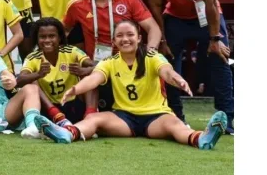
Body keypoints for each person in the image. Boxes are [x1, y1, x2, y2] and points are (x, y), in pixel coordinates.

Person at [35, 21, 228, 150]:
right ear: (114, 41)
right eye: (120, 36)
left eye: (130, 35)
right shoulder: (109, 62)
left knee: (175, 124)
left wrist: (177, 79)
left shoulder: (152, 56)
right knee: (94, 119)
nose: (125, 39)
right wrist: (75, 89)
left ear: (139, 38)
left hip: (156, 117)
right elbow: (94, 78)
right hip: (124, 119)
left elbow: (166, 71)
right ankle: (66, 134)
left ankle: (203, 138)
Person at [142, 0, 234, 133]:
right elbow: (155, 6)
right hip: (175, 18)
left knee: (220, 63)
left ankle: (226, 120)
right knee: (169, 66)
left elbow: (211, 3)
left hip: (208, 18)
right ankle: (176, 117)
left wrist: (215, 39)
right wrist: (163, 40)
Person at [18, 18, 96, 126]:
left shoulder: (71, 51)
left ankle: (89, 116)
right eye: (42, 37)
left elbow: (99, 66)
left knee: (91, 75)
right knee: (31, 81)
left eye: (51, 36)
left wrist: (85, 70)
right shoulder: (32, 58)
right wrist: (38, 74)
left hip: (73, 104)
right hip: (48, 108)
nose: (47, 40)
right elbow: (20, 80)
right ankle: (55, 114)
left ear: (59, 38)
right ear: (37, 39)